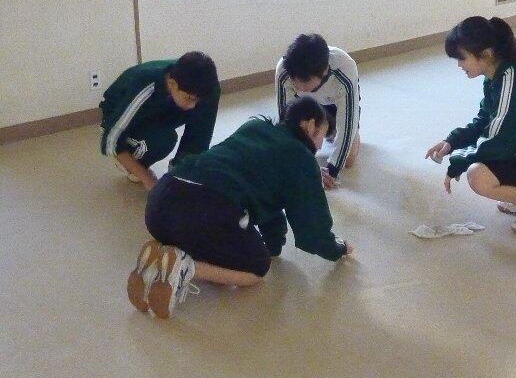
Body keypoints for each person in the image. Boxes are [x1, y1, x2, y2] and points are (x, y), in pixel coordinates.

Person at [127, 96, 353, 319]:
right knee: (257, 268)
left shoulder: (254, 127)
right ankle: (186, 267)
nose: (320, 145)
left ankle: (158, 261)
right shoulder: (302, 159)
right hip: (204, 210)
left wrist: (273, 245)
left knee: (211, 235)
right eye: (322, 136)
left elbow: (269, 203)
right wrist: (338, 248)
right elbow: (312, 230)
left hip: (160, 202)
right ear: (310, 125)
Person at [426, 16, 516, 236]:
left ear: (486, 54)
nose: (459, 65)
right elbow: (484, 121)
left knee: (479, 177)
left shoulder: (515, 80)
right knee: (483, 163)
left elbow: (498, 141)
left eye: (462, 58)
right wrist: (452, 142)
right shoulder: (498, 76)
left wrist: (460, 161)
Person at [99, 51, 219, 190]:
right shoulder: (146, 86)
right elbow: (109, 140)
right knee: (163, 140)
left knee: (203, 107)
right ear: (172, 84)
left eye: (196, 100)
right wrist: (148, 180)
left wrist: (183, 176)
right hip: (119, 116)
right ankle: (132, 163)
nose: (193, 106)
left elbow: (200, 137)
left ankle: (180, 173)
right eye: (190, 99)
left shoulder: (207, 89)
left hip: (163, 107)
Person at [276, 34, 361, 188]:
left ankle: (339, 130)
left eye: (307, 85)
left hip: (333, 106)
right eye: (297, 84)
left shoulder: (346, 69)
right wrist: (301, 166)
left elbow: (346, 125)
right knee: (304, 144)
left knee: (348, 158)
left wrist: (331, 171)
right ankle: (325, 132)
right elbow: (286, 122)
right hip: (305, 108)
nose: (300, 88)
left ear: (325, 71)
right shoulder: (284, 70)